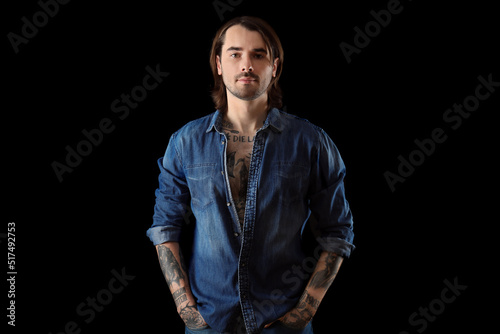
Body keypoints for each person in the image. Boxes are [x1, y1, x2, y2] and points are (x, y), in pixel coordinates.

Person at [147, 16, 355, 334]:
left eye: (258, 55)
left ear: (275, 66)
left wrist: (302, 313)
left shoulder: (310, 141)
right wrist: (186, 308)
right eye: (235, 53)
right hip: (208, 323)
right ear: (218, 64)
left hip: (283, 323)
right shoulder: (185, 142)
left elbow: (338, 231)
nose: (246, 65)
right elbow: (165, 227)